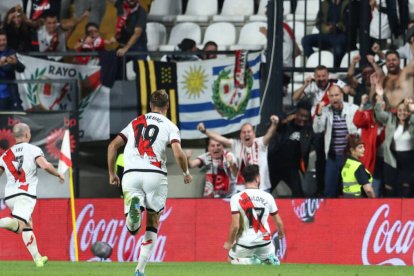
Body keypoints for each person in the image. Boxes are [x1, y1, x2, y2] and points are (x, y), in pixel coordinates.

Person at [107, 89, 192, 276]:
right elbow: (178, 152)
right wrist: (186, 172)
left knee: (132, 230)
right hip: (155, 174)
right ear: (167, 106)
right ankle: (140, 269)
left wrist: (112, 173)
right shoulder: (170, 125)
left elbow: (113, 145)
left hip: (131, 175)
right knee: (153, 221)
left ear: (150, 105)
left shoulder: (135, 122)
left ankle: (134, 214)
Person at [0, 123, 64, 267]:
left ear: (14, 136)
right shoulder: (33, 149)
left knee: (28, 224)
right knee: (20, 225)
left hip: (10, 196)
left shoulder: (5, 155)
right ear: (28, 135)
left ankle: (37, 258)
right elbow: (45, 165)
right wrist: (58, 174)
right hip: (25, 194)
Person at [197, 115, 279, 193]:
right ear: (240, 135)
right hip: (242, 189)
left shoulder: (261, 143)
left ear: (254, 134)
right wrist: (205, 131)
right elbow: (219, 138)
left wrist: (274, 124)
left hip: (262, 188)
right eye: (243, 132)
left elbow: (269, 134)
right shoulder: (236, 144)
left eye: (249, 132)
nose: (246, 134)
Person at [223, 164, 285, 265]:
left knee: (230, 260)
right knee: (269, 253)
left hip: (245, 244)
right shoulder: (268, 197)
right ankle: (269, 260)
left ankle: (249, 261)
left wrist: (229, 242)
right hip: (265, 243)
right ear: (257, 178)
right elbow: (278, 221)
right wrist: (281, 233)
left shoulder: (236, 198)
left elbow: (235, 226)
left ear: (243, 179)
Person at [313, 84, 359, 197]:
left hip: (349, 156)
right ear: (328, 97)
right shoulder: (325, 110)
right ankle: (330, 214)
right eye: (332, 96)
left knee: (350, 191)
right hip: (332, 157)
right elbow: (317, 129)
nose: (335, 98)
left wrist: (353, 135)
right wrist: (318, 114)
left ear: (342, 95)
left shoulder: (353, 109)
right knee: (329, 191)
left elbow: (360, 130)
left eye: (337, 95)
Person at [267, 100, 315, 197]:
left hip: (291, 168)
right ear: (296, 113)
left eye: (306, 116)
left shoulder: (308, 130)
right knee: (266, 190)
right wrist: (284, 121)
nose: (303, 119)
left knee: (298, 194)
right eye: (301, 115)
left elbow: (315, 140)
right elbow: (273, 126)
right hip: (275, 164)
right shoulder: (286, 124)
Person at [374, 85, 414, 197]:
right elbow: (379, 114)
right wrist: (380, 97)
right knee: (391, 190)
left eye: (405, 111)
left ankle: (406, 214)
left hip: (409, 161)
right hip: (391, 159)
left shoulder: (412, 122)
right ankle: (393, 213)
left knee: (406, 191)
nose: (402, 113)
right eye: (400, 110)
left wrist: (412, 108)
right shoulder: (391, 119)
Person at [301, 0, 351, 68]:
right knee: (305, 40)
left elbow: (348, 22)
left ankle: (335, 69)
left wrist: (337, 26)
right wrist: (325, 28)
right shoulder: (325, 3)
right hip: (326, 34)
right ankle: (316, 64)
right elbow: (318, 22)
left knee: (338, 49)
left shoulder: (347, 3)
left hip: (341, 34)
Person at [0, 29, 25, 111]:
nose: (2, 43)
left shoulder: (10, 51)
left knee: (18, 119)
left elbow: (22, 69)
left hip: (11, 94)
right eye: (0, 40)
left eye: (4, 40)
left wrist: (15, 63)